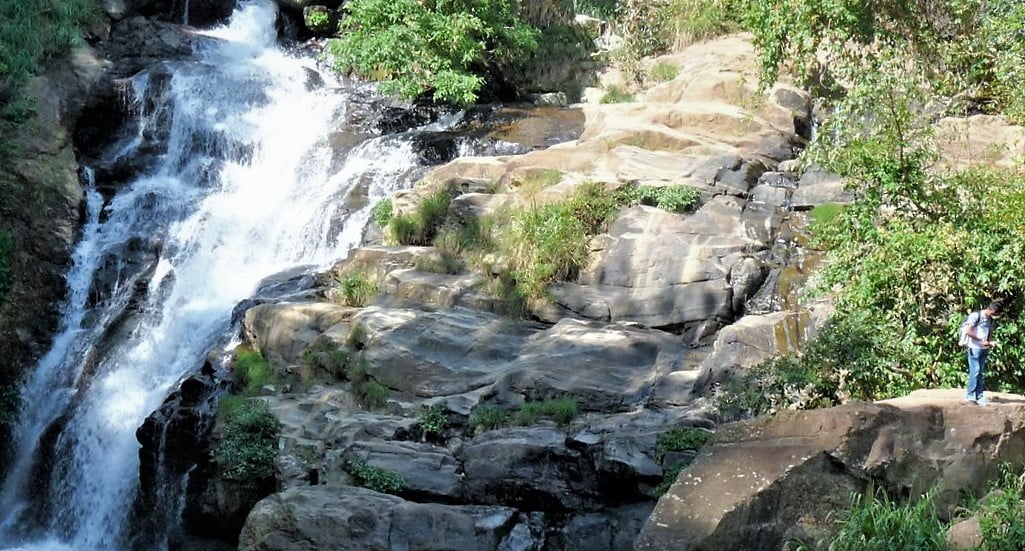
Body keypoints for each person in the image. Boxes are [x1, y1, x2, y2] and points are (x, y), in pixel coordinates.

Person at [965, 301, 1001, 406]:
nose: (995, 316)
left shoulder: (990, 320)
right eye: (994, 314)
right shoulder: (976, 316)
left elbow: (990, 332)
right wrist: (981, 340)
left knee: (981, 373)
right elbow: (968, 331)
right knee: (975, 371)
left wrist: (990, 343)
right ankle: (970, 396)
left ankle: (979, 396)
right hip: (974, 347)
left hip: (984, 349)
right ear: (991, 310)